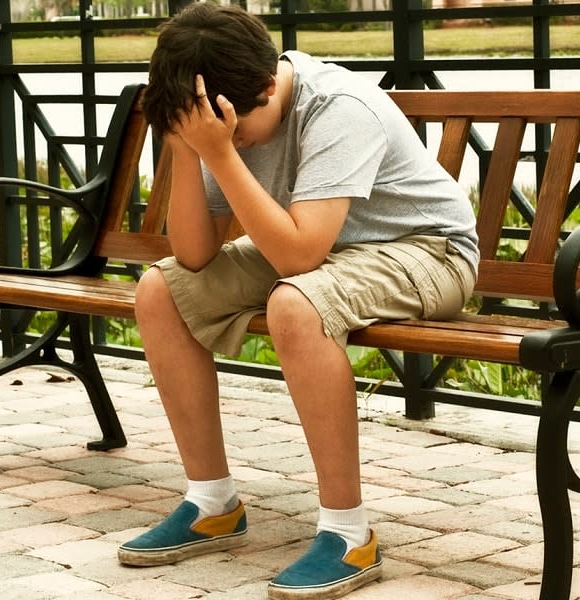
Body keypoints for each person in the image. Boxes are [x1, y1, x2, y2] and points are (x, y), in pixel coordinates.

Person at [119, 3, 479, 598]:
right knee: (161, 291)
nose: (229, 142)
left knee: (296, 303)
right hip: (322, 251)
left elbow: (297, 259)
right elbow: (194, 256)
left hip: (426, 252)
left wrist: (220, 152)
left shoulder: (338, 108)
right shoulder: (219, 119)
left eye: (236, 132)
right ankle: (211, 503)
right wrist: (190, 149)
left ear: (266, 86)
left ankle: (348, 534)